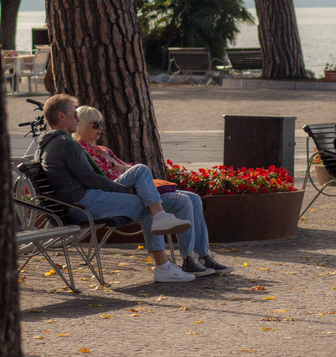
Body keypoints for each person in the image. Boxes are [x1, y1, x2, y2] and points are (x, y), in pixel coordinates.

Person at [38, 94, 194, 283]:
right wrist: (125, 190)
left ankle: (163, 255)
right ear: (61, 116)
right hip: (83, 203)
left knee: (141, 176)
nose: (77, 118)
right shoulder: (65, 143)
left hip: (80, 201)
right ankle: (163, 265)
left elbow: (89, 179)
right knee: (147, 204)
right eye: (74, 114)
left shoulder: (53, 143)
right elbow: (90, 179)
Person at [74, 105, 231, 277]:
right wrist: (124, 169)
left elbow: (127, 168)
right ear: (82, 126)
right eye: (95, 124)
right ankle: (188, 258)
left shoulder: (104, 150)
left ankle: (201, 256)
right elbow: (105, 178)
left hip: (137, 189)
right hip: (120, 193)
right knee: (177, 197)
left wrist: (123, 168)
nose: (100, 128)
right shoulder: (82, 150)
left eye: (101, 123)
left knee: (193, 199)